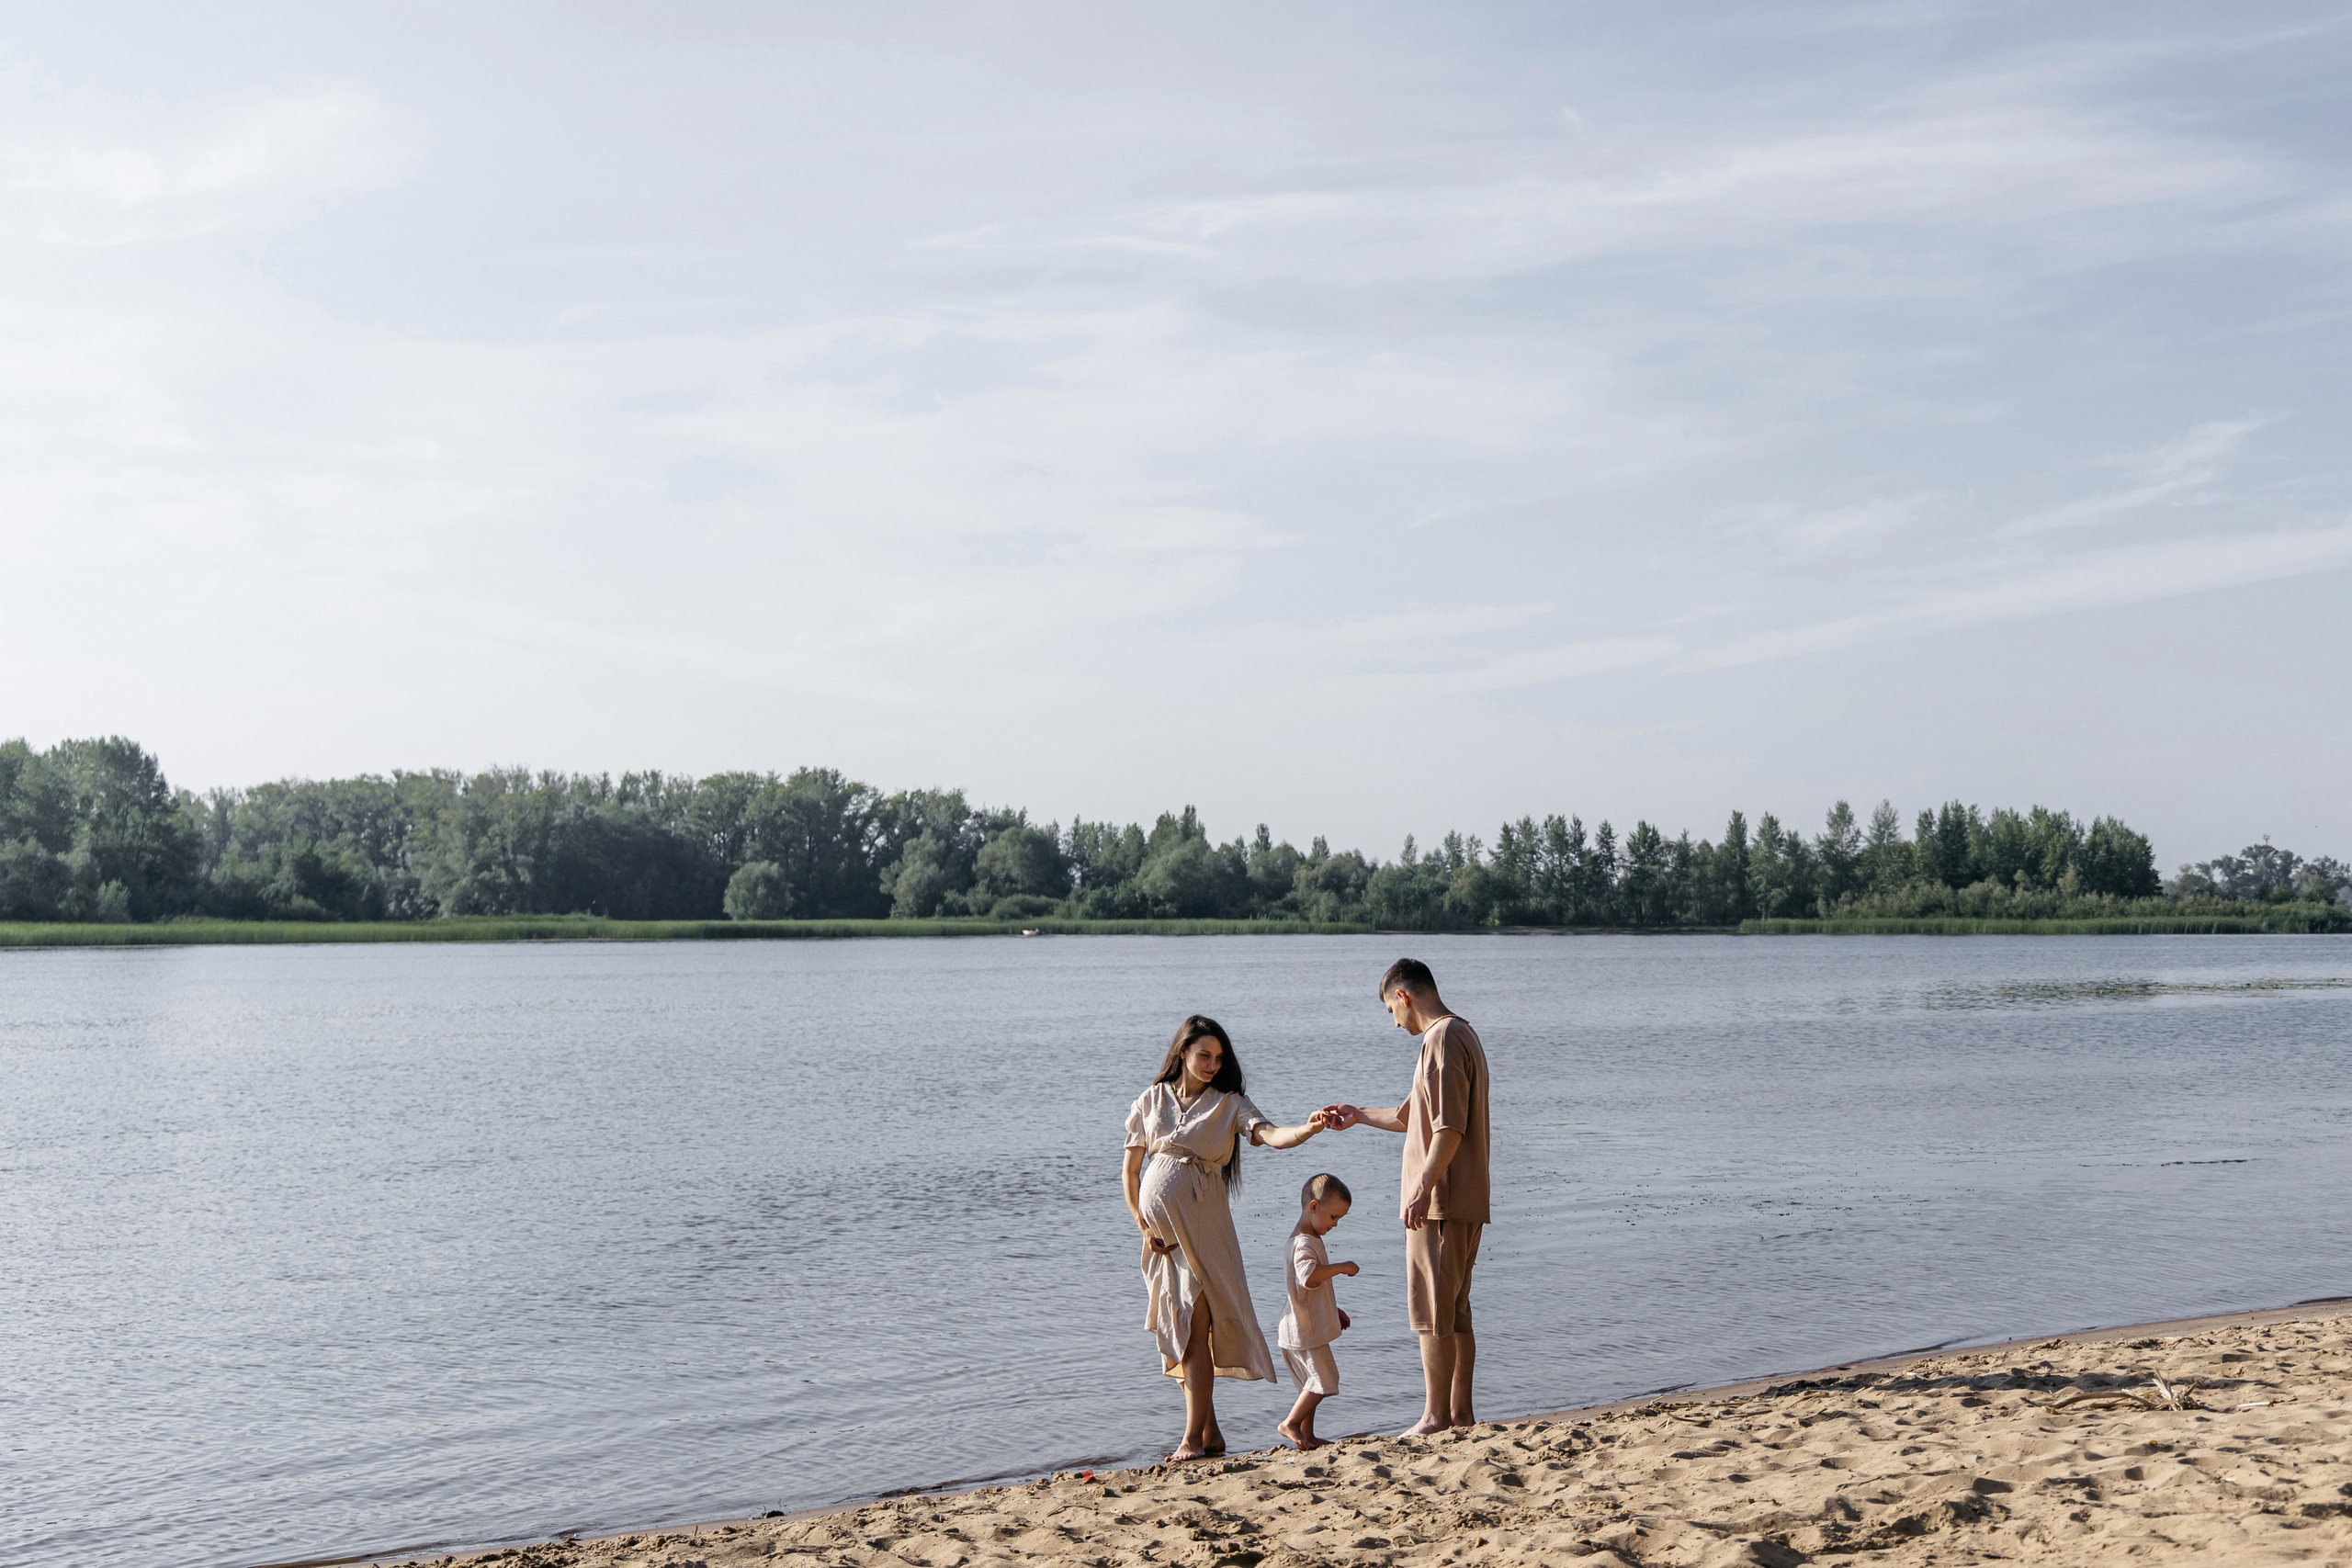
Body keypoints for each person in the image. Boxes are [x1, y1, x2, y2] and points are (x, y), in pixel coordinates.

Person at [1123, 1013, 1327, 1462]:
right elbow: (1131, 1173)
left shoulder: (1230, 1104)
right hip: (1162, 1240)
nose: (1213, 1064)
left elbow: (1271, 1135)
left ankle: (1192, 1440)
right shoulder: (1151, 1100)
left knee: (1195, 1326)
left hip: (1204, 1230)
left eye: (1219, 1058)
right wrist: (1143, 1224)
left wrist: (1308, 1128)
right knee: (1181, 1327)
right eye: (1204, 1055)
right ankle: (1210, 1432)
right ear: (1183, 1052)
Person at [1317, 957, 1491, 1437]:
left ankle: (1435, 1416)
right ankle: (1460, 1415)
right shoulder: (1461, 1034)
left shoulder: (1441, 1040)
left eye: (1390, 1011)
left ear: (1403, 996)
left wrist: (1421, 1188)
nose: (1394, 1023)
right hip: (1463, 1199)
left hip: (1442, 1203)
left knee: (1432, 1312)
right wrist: (1357, 1114)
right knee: (1455, 1310)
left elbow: (1448, 1129)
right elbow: (1408, 1117)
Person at [1275, 1172, 1357, 1450]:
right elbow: (1308, 1277)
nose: (1335, 1224)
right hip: (1303, 1329)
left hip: (1297, 1324)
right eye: (1333, 1217)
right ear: (1314, 1206)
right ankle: (1290, 1423)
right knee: (1325, 1379)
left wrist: (1333, 1309)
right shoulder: (1303, 1243)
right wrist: (1342, 1267)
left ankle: (1307, 1435)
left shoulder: (1303, 1239)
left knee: (1310, 1384)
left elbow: (1308, 1291)